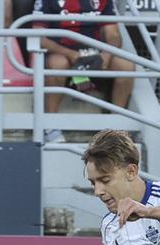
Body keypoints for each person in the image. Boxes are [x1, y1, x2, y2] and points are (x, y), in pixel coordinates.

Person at [32, 0, 135, 143]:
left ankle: (115, 128)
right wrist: (69, 53)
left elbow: (113, 34)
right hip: (63, 52)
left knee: (126, 66)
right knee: (57, 63)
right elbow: (39, 37)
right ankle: (50, 125)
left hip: (96, 53)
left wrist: (106, 54)